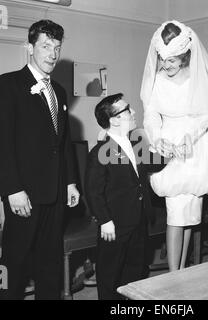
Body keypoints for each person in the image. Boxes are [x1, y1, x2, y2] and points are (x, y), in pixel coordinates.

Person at [0, 20, 79, 300]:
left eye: (57, 48)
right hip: (24, 194)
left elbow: (64, 142)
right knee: (15, 263)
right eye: (46, 46)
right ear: (30, 47)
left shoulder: (59, 90)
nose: (53, 54)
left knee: (50, 264)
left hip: (55, 194)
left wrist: (70, 182)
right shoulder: (7, 85)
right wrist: (11, 189)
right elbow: (3, 143)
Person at [141, 20, 208, 271]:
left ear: (185, 56)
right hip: (166, 147)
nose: (166, 65)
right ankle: (173, 275)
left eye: (172, 61)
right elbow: (150, 113)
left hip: (195, 145)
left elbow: (205, 115)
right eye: (162, 59)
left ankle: (180, 273)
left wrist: (186, 138)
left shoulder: (198, 78)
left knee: (188, 216)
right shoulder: (156, 79)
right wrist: (157, 138)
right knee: (176, 213)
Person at [85, 93, 160, 300]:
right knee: (110, 271)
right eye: (128, 109)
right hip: (115, 223)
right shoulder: (100, 151)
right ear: (115, 119)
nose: (133, 111)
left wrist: (170, 152)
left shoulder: (135, 144)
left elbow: (154, 162)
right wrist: (105, 221)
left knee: (136, 268)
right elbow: (93, 191)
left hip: (138, 218)